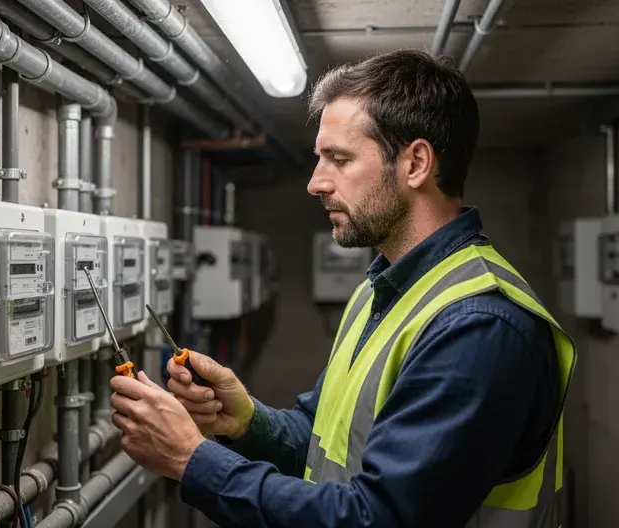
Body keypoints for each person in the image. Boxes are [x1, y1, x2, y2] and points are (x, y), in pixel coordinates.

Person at [107, 49, 578, 528]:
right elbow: (326, 440)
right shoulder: (383, 287)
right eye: (319, 159)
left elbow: (376, 518)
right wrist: (247, 421)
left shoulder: (478, 325)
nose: (315, 183)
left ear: (416, 163)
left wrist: (191, 460)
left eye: (339, 159)